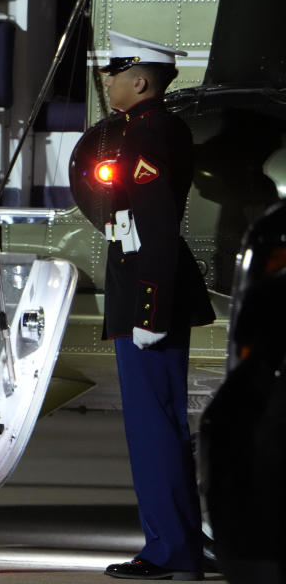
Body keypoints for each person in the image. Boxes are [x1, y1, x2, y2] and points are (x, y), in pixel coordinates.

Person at [95, 30, 215, 581]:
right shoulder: (139, 131)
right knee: (152, 429)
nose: (107, 78)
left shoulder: (152, 134)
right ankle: (172, 546)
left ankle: (172, 551)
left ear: (139, 80)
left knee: (155, 430)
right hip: (141, 292)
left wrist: (149, 311)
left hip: (149, 301)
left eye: (114, 70)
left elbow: (159, 230)